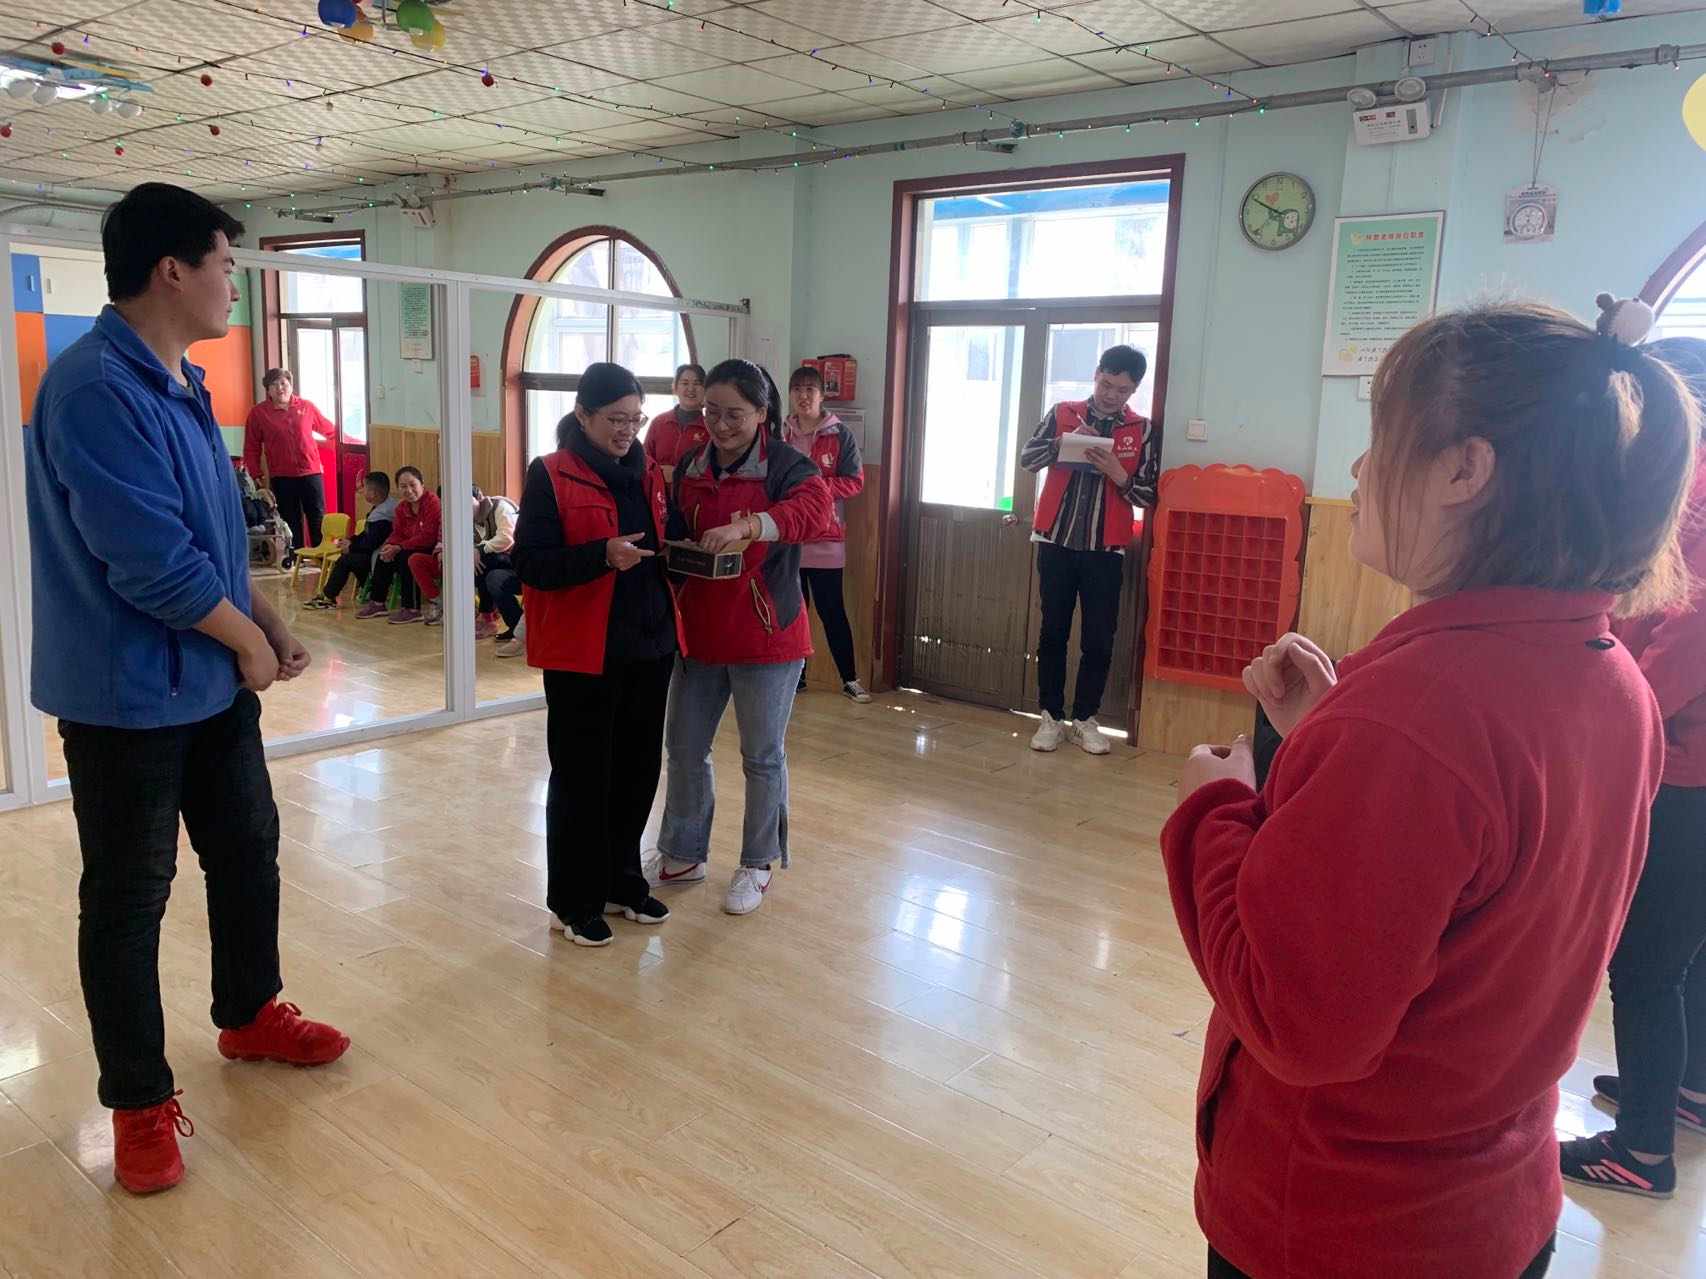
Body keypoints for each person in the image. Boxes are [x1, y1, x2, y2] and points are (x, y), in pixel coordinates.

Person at [1161, 299, 1697, 1279]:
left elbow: (1297, 1018)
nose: (1359, 469)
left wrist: (1212, 807)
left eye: (1381, 436)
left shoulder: (1416, 712)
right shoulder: (1611, 678)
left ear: (1464, 469)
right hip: (1490, 1208)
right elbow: (1476, 875)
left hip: (1341, 1227)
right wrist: (1326, 736)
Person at [23, 183, 350, 1196]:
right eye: (225, 264)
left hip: (208, 682)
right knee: (129, 896)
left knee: (247, 849)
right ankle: (137, 1104)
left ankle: (249, 1012)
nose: (233, 285)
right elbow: (150, 565)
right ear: (173, 271)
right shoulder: (92, 388)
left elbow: (208, 538)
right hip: (124, 697)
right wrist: (245, 643)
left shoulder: (181, 380)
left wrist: (269, 621)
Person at [1562, 335, 1706, 1199]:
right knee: (1687, 950)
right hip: (1692, 761)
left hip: (1684, 769)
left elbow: (1688, 632)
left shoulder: (1693, 491)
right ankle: (1686, 1090)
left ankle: (1641, 1152)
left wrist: (1623, 719)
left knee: (1646, 966)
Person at [654, 358, 832, 915]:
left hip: (767, 635)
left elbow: (815, 513)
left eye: (734, 413)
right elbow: (675, 528)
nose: (720, 424)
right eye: (711, 411)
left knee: (761, 755)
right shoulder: (691, 464)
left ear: (761, 412)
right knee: (684, 748)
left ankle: (757, 863)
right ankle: (683, 853)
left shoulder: (787, 465)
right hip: (701, 632)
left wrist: (749, 526)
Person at [512, 363, 679, 946]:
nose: (627, 430)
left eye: (636, 418)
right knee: (583, 776)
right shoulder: (550, 474)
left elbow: (663, 543)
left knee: (637, 771)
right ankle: (572, 900)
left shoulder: (650, 473)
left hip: (650, 645)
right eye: (615, 419)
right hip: (584, 652)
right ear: (583, 415)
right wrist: (600, 556)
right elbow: (530, 563)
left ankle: (621, 882)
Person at [1018, 343, 1158, 756]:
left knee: (1099, 638)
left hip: (1106, 548)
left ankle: (1085, 719)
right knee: (1053, 632)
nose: (1111, 394)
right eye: (1105, 384)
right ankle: (1050, 717)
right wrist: (1065, 442)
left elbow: (1148, 494)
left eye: (1122, 389)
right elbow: (1028, 458)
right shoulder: (1064, 413)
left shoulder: (1142, 430)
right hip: (1056, 541)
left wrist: (1117, 472)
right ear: (1096, 375)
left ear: (1134, 390)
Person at [783, 364, 870, 703]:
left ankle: (850, 679)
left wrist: (816, 488)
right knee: (794, 611)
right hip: (790, 539)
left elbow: (855, 481)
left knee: (833, 611)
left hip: (827, 539)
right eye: (797, 390)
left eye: (810, 390)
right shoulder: (781, 434)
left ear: (822, 396)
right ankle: (798, 677)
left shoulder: (840, 434)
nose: (803, 396)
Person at [243, 367, 333, 563]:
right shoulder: (258, 413)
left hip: (311, 472)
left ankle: (321, 559)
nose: (280, 388)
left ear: (291, 385)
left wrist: (349, 443)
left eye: (283, 383)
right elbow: (251, 447)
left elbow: (329, 429)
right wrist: (256, 474)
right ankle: (296, 558)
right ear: (268, 390)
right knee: (290, 520)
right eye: (274, 385)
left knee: (317, 516)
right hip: (282, 476)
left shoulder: (306, 407)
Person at [356, 465, 439, 622]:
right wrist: (390, 545)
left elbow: (428, 536)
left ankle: (412, 609)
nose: (409, 490)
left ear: (422, 484)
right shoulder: (401, 508)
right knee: (384, 554)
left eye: (412, 485)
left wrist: (399, 547)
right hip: (408, 547)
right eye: (403, 486)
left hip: (432, 549)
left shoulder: (432, 503)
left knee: (407, 557)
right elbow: (397, 533)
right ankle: (378, 603)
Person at [303, 470, 395, 610]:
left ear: (373, 493)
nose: (361, 491)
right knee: (350, 556)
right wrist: (351, 541)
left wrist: (351, 547)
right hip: (374, 552)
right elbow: (367, 534)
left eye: (364, 487)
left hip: (381, 556)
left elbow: (371, 543)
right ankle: (366, 589)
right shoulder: (382, 506)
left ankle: (329, 596)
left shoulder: (383, 515)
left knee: (346, 560)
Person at [642, 362, 708, 476]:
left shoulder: (710, 427)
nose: (691, 388)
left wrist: (678, 474)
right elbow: (644, 461)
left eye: (697, 383)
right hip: (658, 486)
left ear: (705, 390)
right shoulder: (659, 422)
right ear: (675, 388)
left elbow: (713, 470)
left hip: (694, 487)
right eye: (685, 383)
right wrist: (658, 473)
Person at [474, 488, 520, 641]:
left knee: (484, 562)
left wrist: (480, 549)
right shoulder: (465, 519)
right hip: (497, 564)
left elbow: (507, 538)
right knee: (485, 571)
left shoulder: (500, 507)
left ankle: (487, 616)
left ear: (479, 497)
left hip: (519, 562)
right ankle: (515, 627)